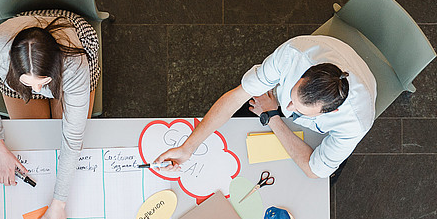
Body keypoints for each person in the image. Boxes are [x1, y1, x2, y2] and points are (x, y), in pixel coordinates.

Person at [155, 35, 376, 183]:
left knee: (325, 179)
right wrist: (188, 147)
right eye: (291, 97)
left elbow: (313, 171)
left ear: (330, 113)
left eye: (299, 110)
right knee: (242, 112)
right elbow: (238, 95)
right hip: (329, 51)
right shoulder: (292, 55)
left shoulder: (354, 124)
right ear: (305, 73)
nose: (287, 109)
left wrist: (273, 117)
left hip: (352, 90)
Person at [0, 11, 100, 219]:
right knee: (34, 138)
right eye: (31, 83)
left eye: (44, 83)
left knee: (65, 127)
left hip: (72, 49)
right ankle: (34, 79)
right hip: (16, 73)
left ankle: (38, 79)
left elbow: (73, 137)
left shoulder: (73, 62)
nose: (38, 91)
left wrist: (59, 202)